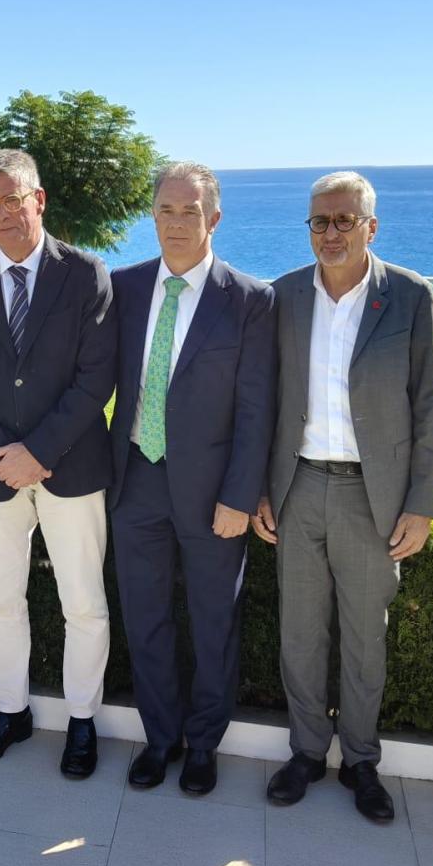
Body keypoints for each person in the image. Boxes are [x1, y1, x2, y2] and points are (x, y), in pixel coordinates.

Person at [255, 171, 433, 820]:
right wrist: (261, 488)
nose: (330, 233)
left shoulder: (411, 296)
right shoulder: (281, 296)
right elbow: (264, 401)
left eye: (343, 220)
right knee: (300, 632)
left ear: (371, 226)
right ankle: (307, 751)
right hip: (299, 485)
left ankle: (360, 759)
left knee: (366, 636)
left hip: (375, 495)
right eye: (318, 222)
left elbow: (428, 405)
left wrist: (422, 502)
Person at [0, 148, 118, 778]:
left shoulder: (87, 273)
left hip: (71, 467)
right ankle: (10, 710)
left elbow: (97, 378)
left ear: (39, 199)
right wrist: (1, 453)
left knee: (84, 603)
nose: (5, 213)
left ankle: (82, 719)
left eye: (16, 199)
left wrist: (39, 452)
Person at [107, 162, 276, 795]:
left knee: (213, 621)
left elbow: (258, 408)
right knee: (145, 617)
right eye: (165, 211)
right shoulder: (123, 289)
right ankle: (159, 739)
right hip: (135, 480)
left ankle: (204, 742)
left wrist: (240, 496)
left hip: (213, 495)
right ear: (152, 216)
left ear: (215, 218)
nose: (177, 223)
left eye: (190, 210)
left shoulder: (250, 300)